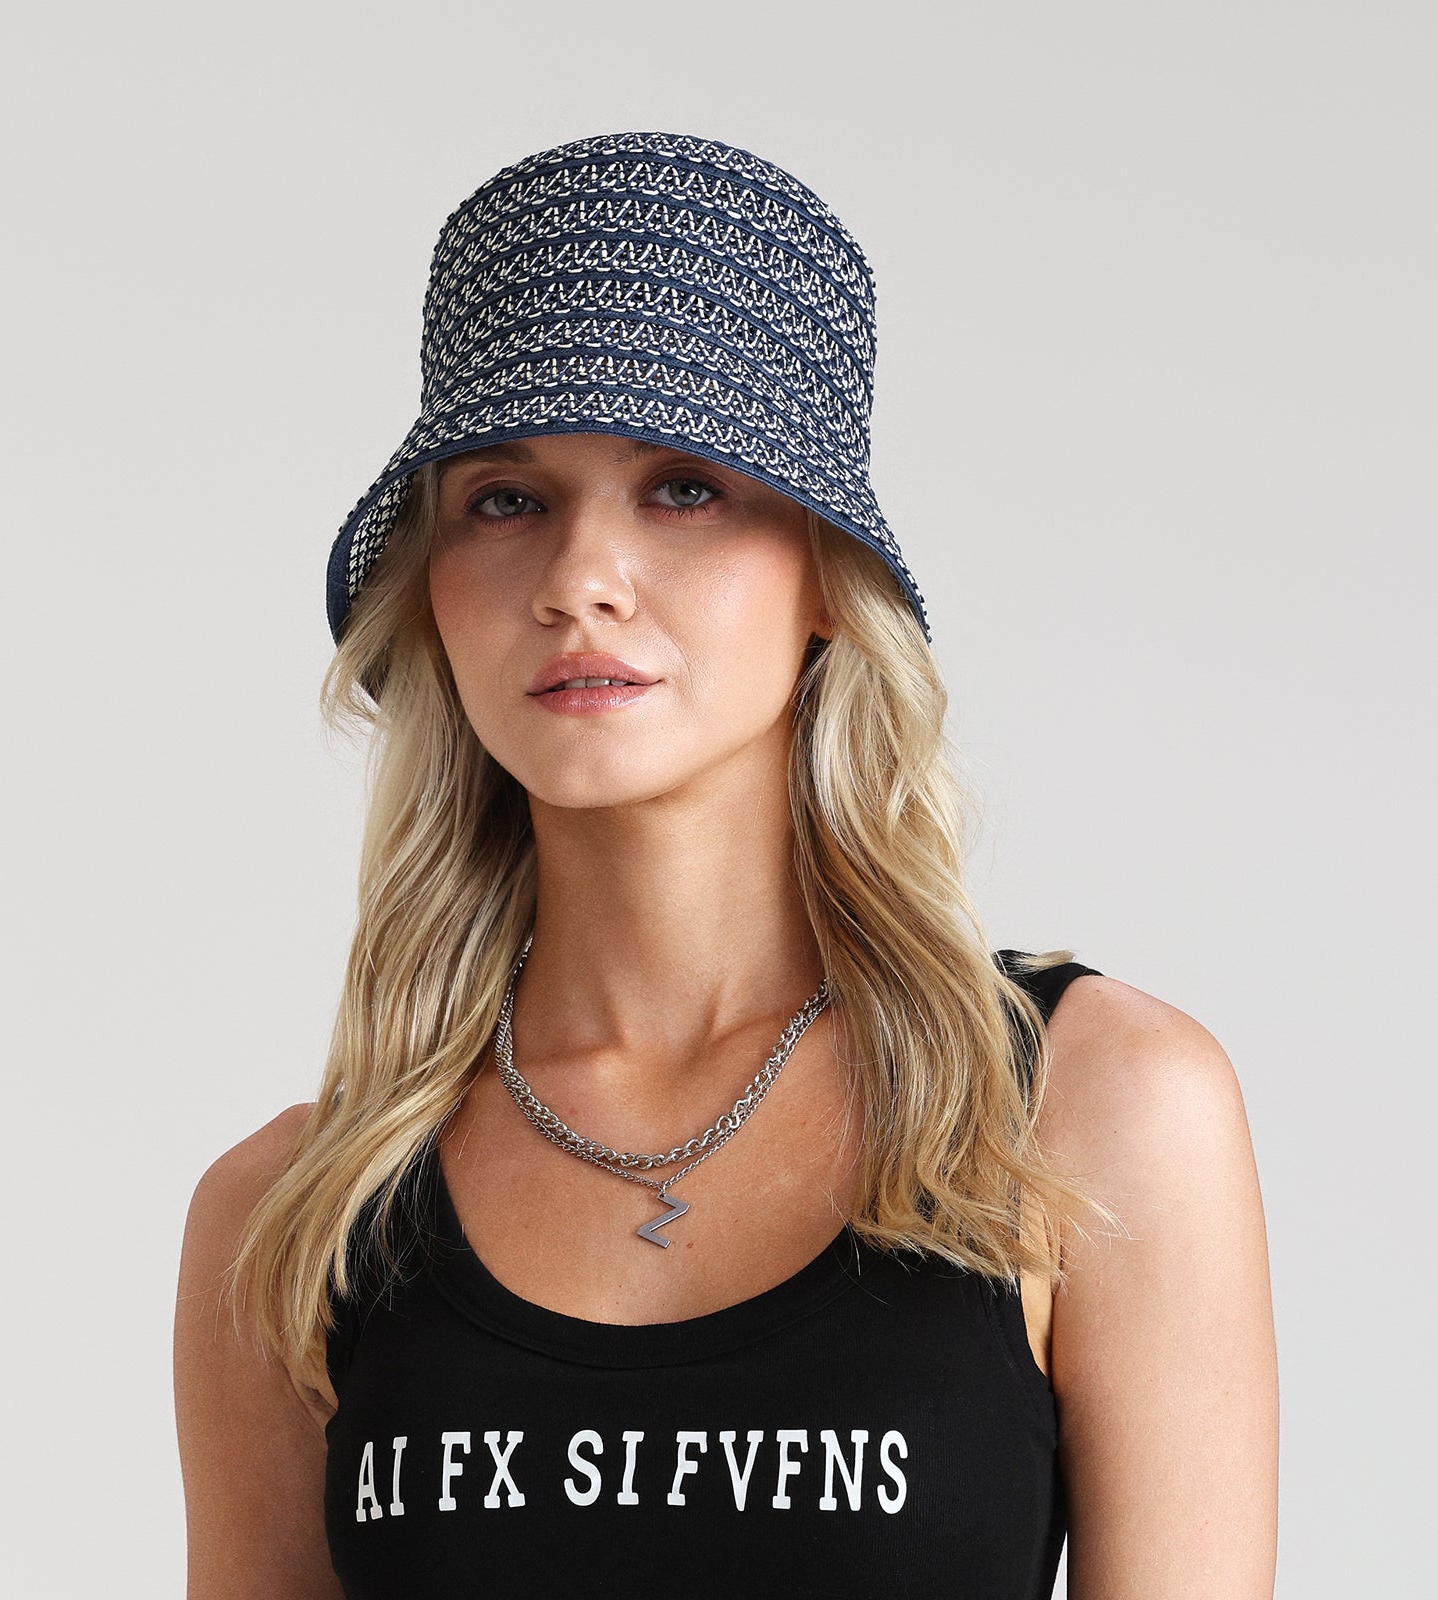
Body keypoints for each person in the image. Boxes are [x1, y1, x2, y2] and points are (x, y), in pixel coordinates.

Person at [173, 131, 1278, 1599]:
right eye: (505, 499)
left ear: (825, 572)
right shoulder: (295, 1214)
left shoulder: (1090, 1109)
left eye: (684, 487)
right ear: (432, 587)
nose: (580, 580)